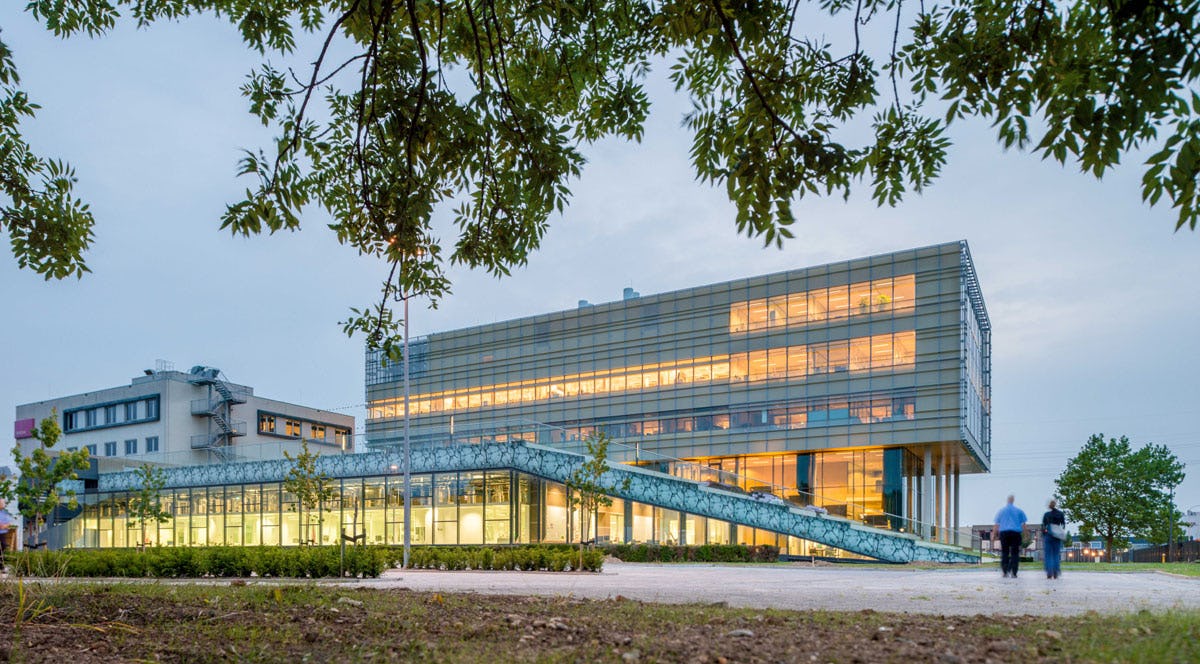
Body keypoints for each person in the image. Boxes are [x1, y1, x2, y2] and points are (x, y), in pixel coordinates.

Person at [993, 494, 1027, 578]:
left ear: (1007, 501)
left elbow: (996, 524)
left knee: (1005, 552)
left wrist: (994, 534)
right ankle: (1014, 572)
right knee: (1015, 553)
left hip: (1004, 533)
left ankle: (1005, 571)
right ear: (1013, 501)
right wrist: (1026, 535)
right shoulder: (1019, 511)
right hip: (1015, 533)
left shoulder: (1001, 511)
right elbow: (1023, 524)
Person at [1042, 499, 1066, 579]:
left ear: (1049, 506)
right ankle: (1056, 571)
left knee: (1048, 554)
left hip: (1049, 534)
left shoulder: (1046, 514)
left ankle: (1049, 571)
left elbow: (1043, 525)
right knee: (1056, 554)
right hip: (1057, 535)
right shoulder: (1060, 514)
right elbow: (1063, 525)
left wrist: (1044, 533)